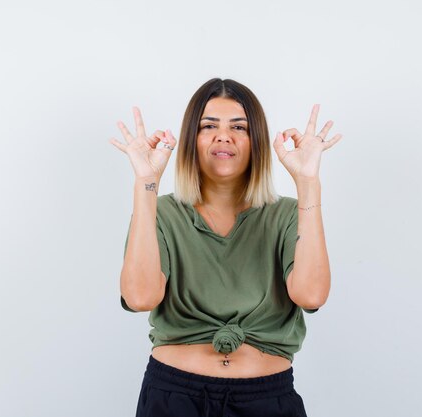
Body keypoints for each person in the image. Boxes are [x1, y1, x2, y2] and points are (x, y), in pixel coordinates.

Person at [109, 78, 342, 417]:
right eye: (208, 126)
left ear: (256, 142)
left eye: (239, 127)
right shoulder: (162, 213)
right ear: (191, 140)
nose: (224, 136)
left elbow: (311, 295)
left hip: (266, 399)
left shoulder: (288, 214)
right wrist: (146, 183)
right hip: (175, 397)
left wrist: (308, 184)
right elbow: (140, 297)